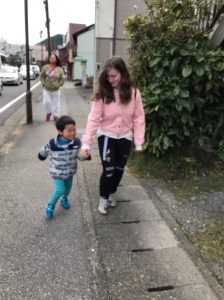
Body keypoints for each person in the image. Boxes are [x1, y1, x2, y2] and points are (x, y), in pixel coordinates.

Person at [80, 56, 145, 215]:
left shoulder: (134, 93)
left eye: (114, 76)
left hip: (125, 137)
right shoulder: (103, 93)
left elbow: (139, 117)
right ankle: (103, 198)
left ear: (123, 74)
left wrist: (138, 142)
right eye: (108, 76)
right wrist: (86, 143)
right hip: (107, 136)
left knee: (119, 170)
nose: (111, 80)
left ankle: (111, 193)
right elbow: (93, 119)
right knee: (108, 170)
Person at [38, 115, 90, 218]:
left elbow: (79, 156)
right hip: (56, 172)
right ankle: (50, 206)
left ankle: (64, 198)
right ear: (60, 131)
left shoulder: (76, 142)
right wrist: (41, 155)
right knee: (60, 190)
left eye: (74, 130)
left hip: (69, 172)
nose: (73, 133)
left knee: (67, 189)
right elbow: (44, 150)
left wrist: (84, 155)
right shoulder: (53, 143)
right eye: (69, 131)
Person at [40, 54, 64, 122]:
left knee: (56, 104)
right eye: (50, 57)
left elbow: (62, 78)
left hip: (56, 90)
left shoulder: (60, 69)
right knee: (46, 102)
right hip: (46, 89)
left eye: (53, 57)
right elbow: (42, 76)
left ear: (56, 59)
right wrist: (43, 84)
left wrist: (59, 84)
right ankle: (49, 112)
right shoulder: (45, 67)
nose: (51, 58)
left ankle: (55, 116)